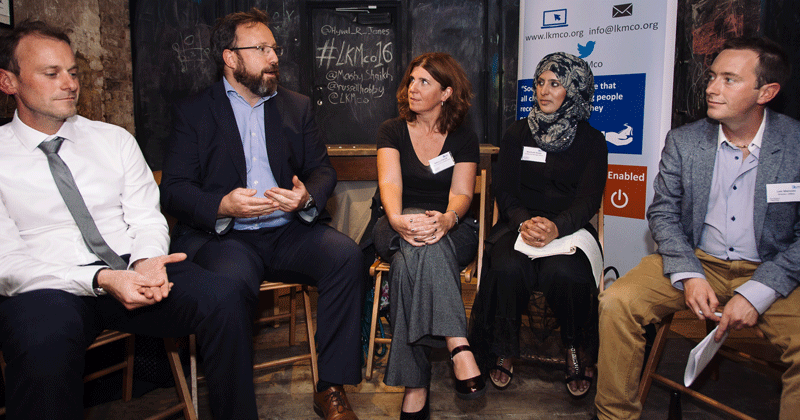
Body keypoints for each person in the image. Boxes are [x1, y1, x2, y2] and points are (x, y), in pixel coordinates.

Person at [0, 20, 261, 419]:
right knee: (42, 342)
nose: (69, 84)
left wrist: (149, 260)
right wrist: (100, 279)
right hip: (48, 286)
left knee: (224, 297)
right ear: (9, 82)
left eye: (73, 72)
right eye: (51, 74)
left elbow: (146, 217)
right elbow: (7, 263)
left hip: (130, 266)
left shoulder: (113, 139)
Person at [159, 9, 363, 420]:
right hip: (228, 237)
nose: (274, 57)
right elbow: (174, 191)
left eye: (275, 48)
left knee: (347, 257)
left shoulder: (296, 106)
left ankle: (331, 386)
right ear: (230, 58)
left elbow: (323, 169)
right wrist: (221, 205)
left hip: (287, 231)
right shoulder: (194, 112)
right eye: (262, 48)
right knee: (228, 289)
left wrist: (307, 196)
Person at [594, 36, 800, 420]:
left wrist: (757, 292)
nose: (711, 88)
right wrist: (688, 274)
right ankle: (614, 416)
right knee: (616, 302)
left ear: (766, 91)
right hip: (696, 258)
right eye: (711, 76)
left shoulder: (795, 145)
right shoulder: (685, 142)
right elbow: (663, 214)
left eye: (729, 79)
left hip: (773, 269)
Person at [468, 52, 607, 399]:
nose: (543, 91)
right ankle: (503, 347)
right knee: (504, 266)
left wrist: (557, 228)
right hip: (519, 226)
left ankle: (575, 349)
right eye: (540, 83)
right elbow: (505, 190)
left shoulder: (592, 141)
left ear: (573, 90)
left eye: (555, 83)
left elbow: (589, 200)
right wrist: (524, 222)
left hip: (569, 231)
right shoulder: (517, 134)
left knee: (567, 274)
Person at [373, 52, 484, 420]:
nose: (412, 89)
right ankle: (458, 343)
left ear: (447, 93)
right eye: (411, 80)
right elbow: (390, 183)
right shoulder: (391, 129)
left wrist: (449, 219)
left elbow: (463, 193)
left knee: (410, 263)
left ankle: (416, 388)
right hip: (396, 218)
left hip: (451, 224)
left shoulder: (464, 137)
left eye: (424, 82)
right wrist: (397, 219)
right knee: (417, 240)